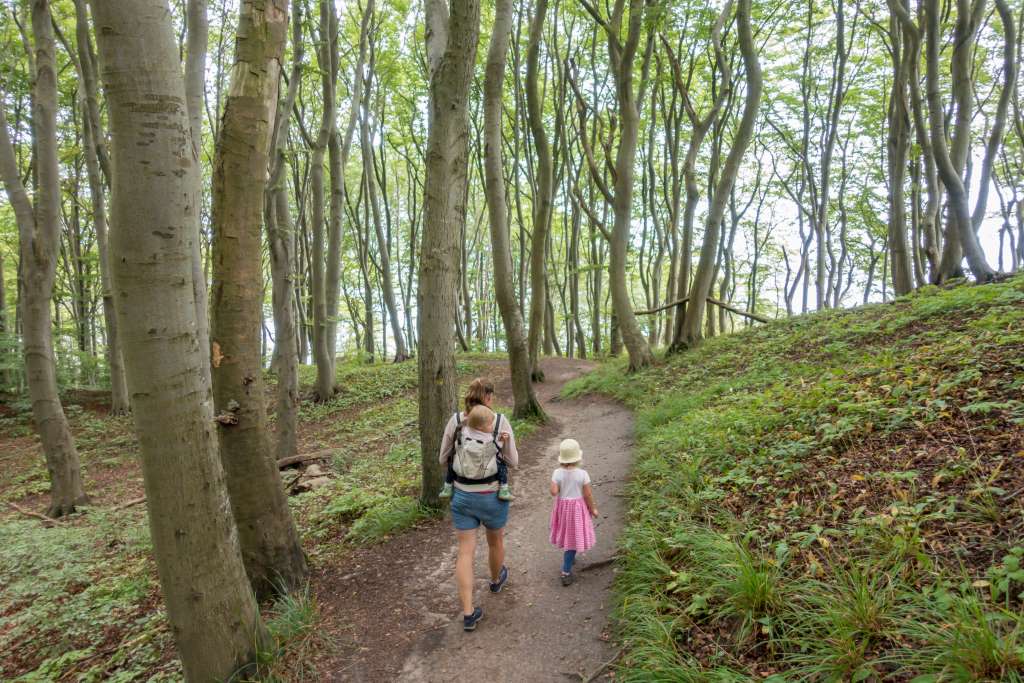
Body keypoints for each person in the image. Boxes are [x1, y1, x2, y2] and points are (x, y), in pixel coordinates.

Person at [437, 378, 519, 631]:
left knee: (465, 552)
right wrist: (501, 444)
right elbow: (513, 461)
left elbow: (443, 458)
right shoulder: (499, 421)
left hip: (462, 495)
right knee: (495, 541)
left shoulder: (455, 421)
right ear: (488, 398)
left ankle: (468, 612)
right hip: (493, 495)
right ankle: (495, 580)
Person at [439, 404, 514, 501]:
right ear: (480, 426)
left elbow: (457, 447)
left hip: (464, 466)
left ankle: (447, 487)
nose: (492, 426)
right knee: (501, 465)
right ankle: (504, 489)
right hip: (483, 470)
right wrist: (502, 440)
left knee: (451, 464)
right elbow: (494, 449)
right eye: (490, 424)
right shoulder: (487, 438)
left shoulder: (463, 432)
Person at [549, 438, 598, 586]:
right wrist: (593, 508)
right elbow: (588, 495)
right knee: (573, 537)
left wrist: (557, 486)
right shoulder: (583, 474)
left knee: (568, 532)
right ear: (578, 457)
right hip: (577, 509)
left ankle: (570, 556)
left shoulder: (557, 472)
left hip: (563, 509)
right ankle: (566, 571)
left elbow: (553, 492)